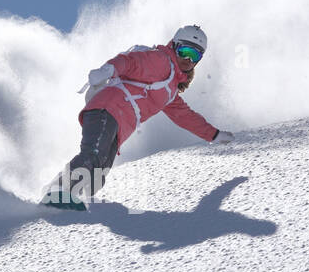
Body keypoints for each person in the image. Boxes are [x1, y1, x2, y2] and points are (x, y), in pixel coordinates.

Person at [41, 24, 234, 210]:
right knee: (92, 157)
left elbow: (185, 117)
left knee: (96, 178)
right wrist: (108, 70)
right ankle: (55, 195)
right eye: (184, 51)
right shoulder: (161, 61)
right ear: (174, 45)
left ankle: (70, 207)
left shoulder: (170, 89)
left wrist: (214, 135)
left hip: (118, 127)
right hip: (107, 109)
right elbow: (132, 62)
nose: (188, 59)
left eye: (195, 55)